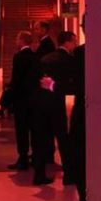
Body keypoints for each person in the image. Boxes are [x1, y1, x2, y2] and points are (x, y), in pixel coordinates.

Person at [39, 31, 78, 183]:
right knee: (62, 138)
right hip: (57, 102)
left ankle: (40, 173)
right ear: (67, 42)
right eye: (73, 41)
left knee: (42, 138)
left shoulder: (46, 59)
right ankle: (69, 174)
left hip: (43, 102)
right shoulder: (70, 60)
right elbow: (72, 84)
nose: (75, 44)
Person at [66, 19, 86, 201]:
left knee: (81, 161)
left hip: (84, 113)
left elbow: (75, 84)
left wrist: (52, 85)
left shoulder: (81, 53)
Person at [8, 31, 38, 170]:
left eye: (17, 39)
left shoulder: (18, 57)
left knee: (22, 130)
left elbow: (16, 79)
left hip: (21, 99)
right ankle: (36, 157)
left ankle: (23, 158)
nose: (16, 41)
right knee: (34, 129)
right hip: (33, 99)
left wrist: (9, 98)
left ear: (22, 40)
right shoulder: (35, 56)